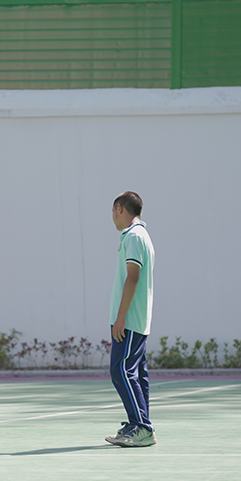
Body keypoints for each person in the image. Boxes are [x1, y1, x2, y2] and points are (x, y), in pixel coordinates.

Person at [105, 191, 157, 447]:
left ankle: (142, 428)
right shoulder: (139, 235)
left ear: (119, 208)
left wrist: (121, 317)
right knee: (137, 374)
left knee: (121, 370)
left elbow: (133, 277)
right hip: (136, 320)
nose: (112, 217)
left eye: (112, 212)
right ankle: (139, 424)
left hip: (130, 320)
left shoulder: (135, 236)